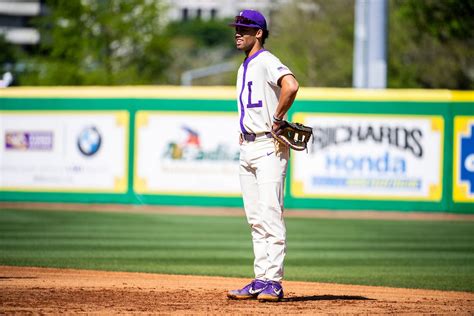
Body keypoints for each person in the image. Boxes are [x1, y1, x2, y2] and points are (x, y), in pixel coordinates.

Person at [226, 9, 299, 302]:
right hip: (248, 146)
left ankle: (275, 282)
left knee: (270, 215)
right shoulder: (244, 66)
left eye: (244, 28)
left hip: (269, 145)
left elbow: (291, 85)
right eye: (237, 27)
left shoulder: (266, 61)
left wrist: (279, 117)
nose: (238, 32)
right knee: (255, 219)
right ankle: (260, 279)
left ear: (259, 33)